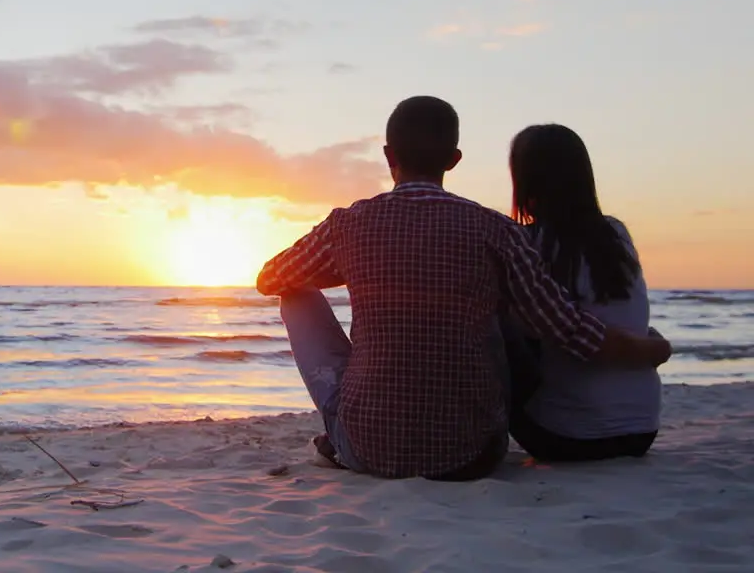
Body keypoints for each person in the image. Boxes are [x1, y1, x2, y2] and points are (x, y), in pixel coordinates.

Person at [255, 96, 672, 481]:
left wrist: (357, 266)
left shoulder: (348, 225)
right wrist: (650, 349)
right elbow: (566, 329)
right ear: (454, 160)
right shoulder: (497, 231)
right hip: (474, 456)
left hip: (370, 450)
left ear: (388, 155)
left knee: (296, 294)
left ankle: (344, 433)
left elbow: (270, 279)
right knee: (497, 307)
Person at [502, 123, 661, 461]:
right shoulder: (616, 234)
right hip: (643, 429)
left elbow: (561, 333)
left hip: (565, 436)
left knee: (496, 323)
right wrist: (654, 347)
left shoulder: (527, 242)